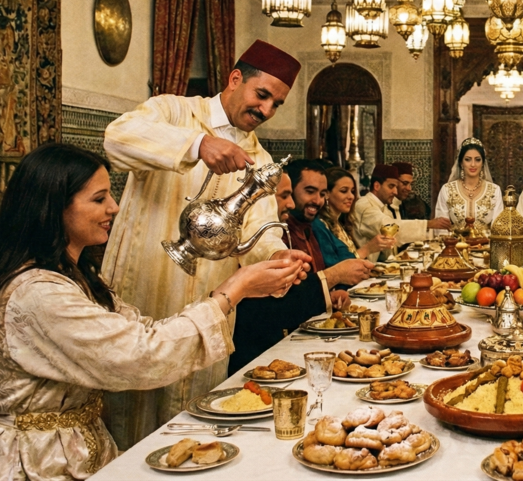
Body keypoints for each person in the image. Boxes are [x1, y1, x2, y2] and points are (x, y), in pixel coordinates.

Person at [0, 144, 304, 479]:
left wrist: (241, 287)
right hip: (38, 462)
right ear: (54, 205)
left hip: (81, 449)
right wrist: (231, 292)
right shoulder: (38, 293)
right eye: (99, 199)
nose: (114, 207)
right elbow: (138, 354)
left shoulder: (74, 275)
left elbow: (143, 331)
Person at [99, 40, 312, 448]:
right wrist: (198, 145)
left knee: (195, 436)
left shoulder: (260, 159)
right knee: (129, 420)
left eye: (276, 105)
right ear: (235, 79)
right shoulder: (174, 111)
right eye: (261, 95)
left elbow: (262, 231)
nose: (266, 110)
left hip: (209, 314)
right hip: (142, 295)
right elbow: (116, 139)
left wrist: (279, 258)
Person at [229, 161, 365, 376]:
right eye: (309, 192)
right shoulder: (266, 236)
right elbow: (275, 306)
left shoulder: (309, 227)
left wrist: (330, 294)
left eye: (322, 193)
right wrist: (333, 277)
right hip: (262, 357)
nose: (318, 201)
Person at [353, 164, 450, 261]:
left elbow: (395, 239)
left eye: (396, 186)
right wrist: (428, 224)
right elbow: (388, 227)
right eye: (391, 186)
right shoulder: (364, 205)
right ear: (377, 186)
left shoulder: (383, 207)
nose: (395, 192)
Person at [317, 166, 398, 263]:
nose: (351, 196)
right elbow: (335, 266)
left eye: (352, 191)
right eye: (343, 191)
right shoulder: (320, 225)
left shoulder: (339, 223)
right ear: (326, 194)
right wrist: (368, 248)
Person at [435, 139, 504, 236]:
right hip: (455, 246)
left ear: (483, 163)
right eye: (467, 159)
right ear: (461, 163)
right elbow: (441, 226)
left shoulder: (494, 190)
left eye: (477, 160)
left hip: (485, 247)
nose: (473, 164)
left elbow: (498, 227)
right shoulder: (447, 189)